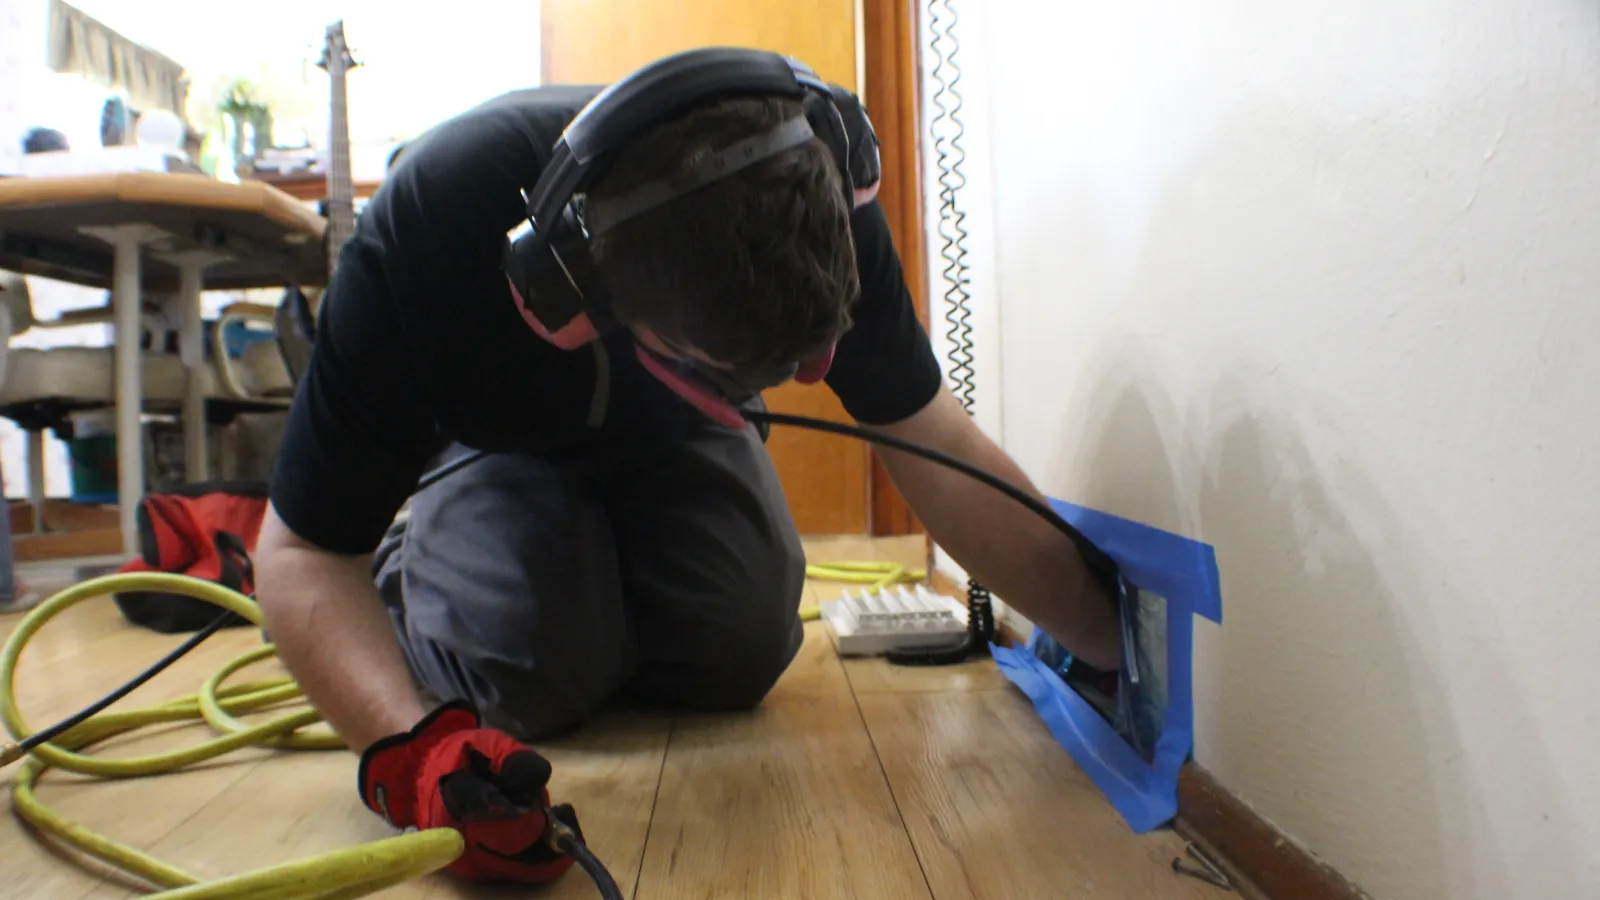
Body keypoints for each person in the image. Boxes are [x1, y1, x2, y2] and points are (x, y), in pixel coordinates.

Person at [254, 48, 1121, 886]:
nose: (814, 378)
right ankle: (414, 563)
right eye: (743, 373)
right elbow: (299, 557)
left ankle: (586, 580)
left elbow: (936, 441)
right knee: (533, 666)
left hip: (668, 428)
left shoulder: (811, 182)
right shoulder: (429, 230)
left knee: (739, 646)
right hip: (500, 443)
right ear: (570, 293)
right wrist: (417, 756)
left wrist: (1109, 643)